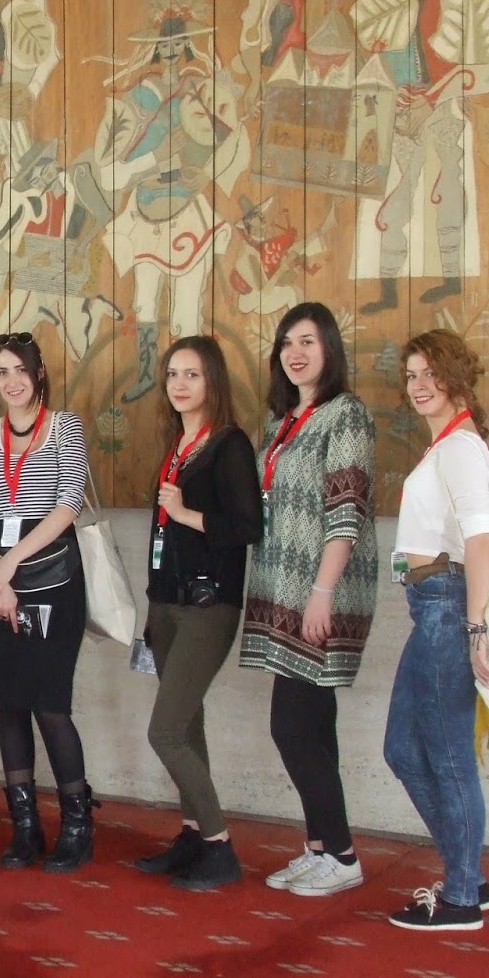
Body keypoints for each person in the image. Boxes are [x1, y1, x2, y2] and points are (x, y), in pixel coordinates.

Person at [241, 303, 378, 896]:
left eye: (308, 341)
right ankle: (321, 846)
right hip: (282, 590)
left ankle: (342, 854)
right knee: (315, 726)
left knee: (291, 726)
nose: (295, 353)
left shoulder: (346, 415)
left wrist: (321, 592)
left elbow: (346, 510)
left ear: (330, 349)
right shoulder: (281, 421)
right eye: (286, 343)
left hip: (321, 591)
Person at [132, 336, 262, 890]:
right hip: (167, 605)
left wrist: (187, 514)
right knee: (187, 724)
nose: (180, 385)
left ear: (214, 382)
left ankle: (218, 844)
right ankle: (191, 834)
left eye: (193, 375)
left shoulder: (228, 445)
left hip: (208, 608)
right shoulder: (178, 444)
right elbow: (161, 537)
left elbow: (247, 527)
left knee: (165, 732)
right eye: (172, 375)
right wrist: (152, 605)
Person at [383, 329, 489, 931]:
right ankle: (468, 874)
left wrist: (474, 627)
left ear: (457, 376)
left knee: (450, 756)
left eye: (431, 372)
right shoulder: (447, 446)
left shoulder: (461, 448)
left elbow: (480, 540)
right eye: (411, 375)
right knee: (403, 750)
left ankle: (461, 897)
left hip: (448, 607)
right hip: (430, 606)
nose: (419, 385)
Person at [0, 333, 96, 872]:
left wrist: (9, 564)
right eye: (2, 372)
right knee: (10, 702)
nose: (12, 381)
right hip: (0, 580)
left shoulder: (66, 427)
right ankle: (24, 827)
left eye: (21, 369)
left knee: (50, 703)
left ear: (38, 373)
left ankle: (77, 825)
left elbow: (68, 505)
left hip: (53, 577)